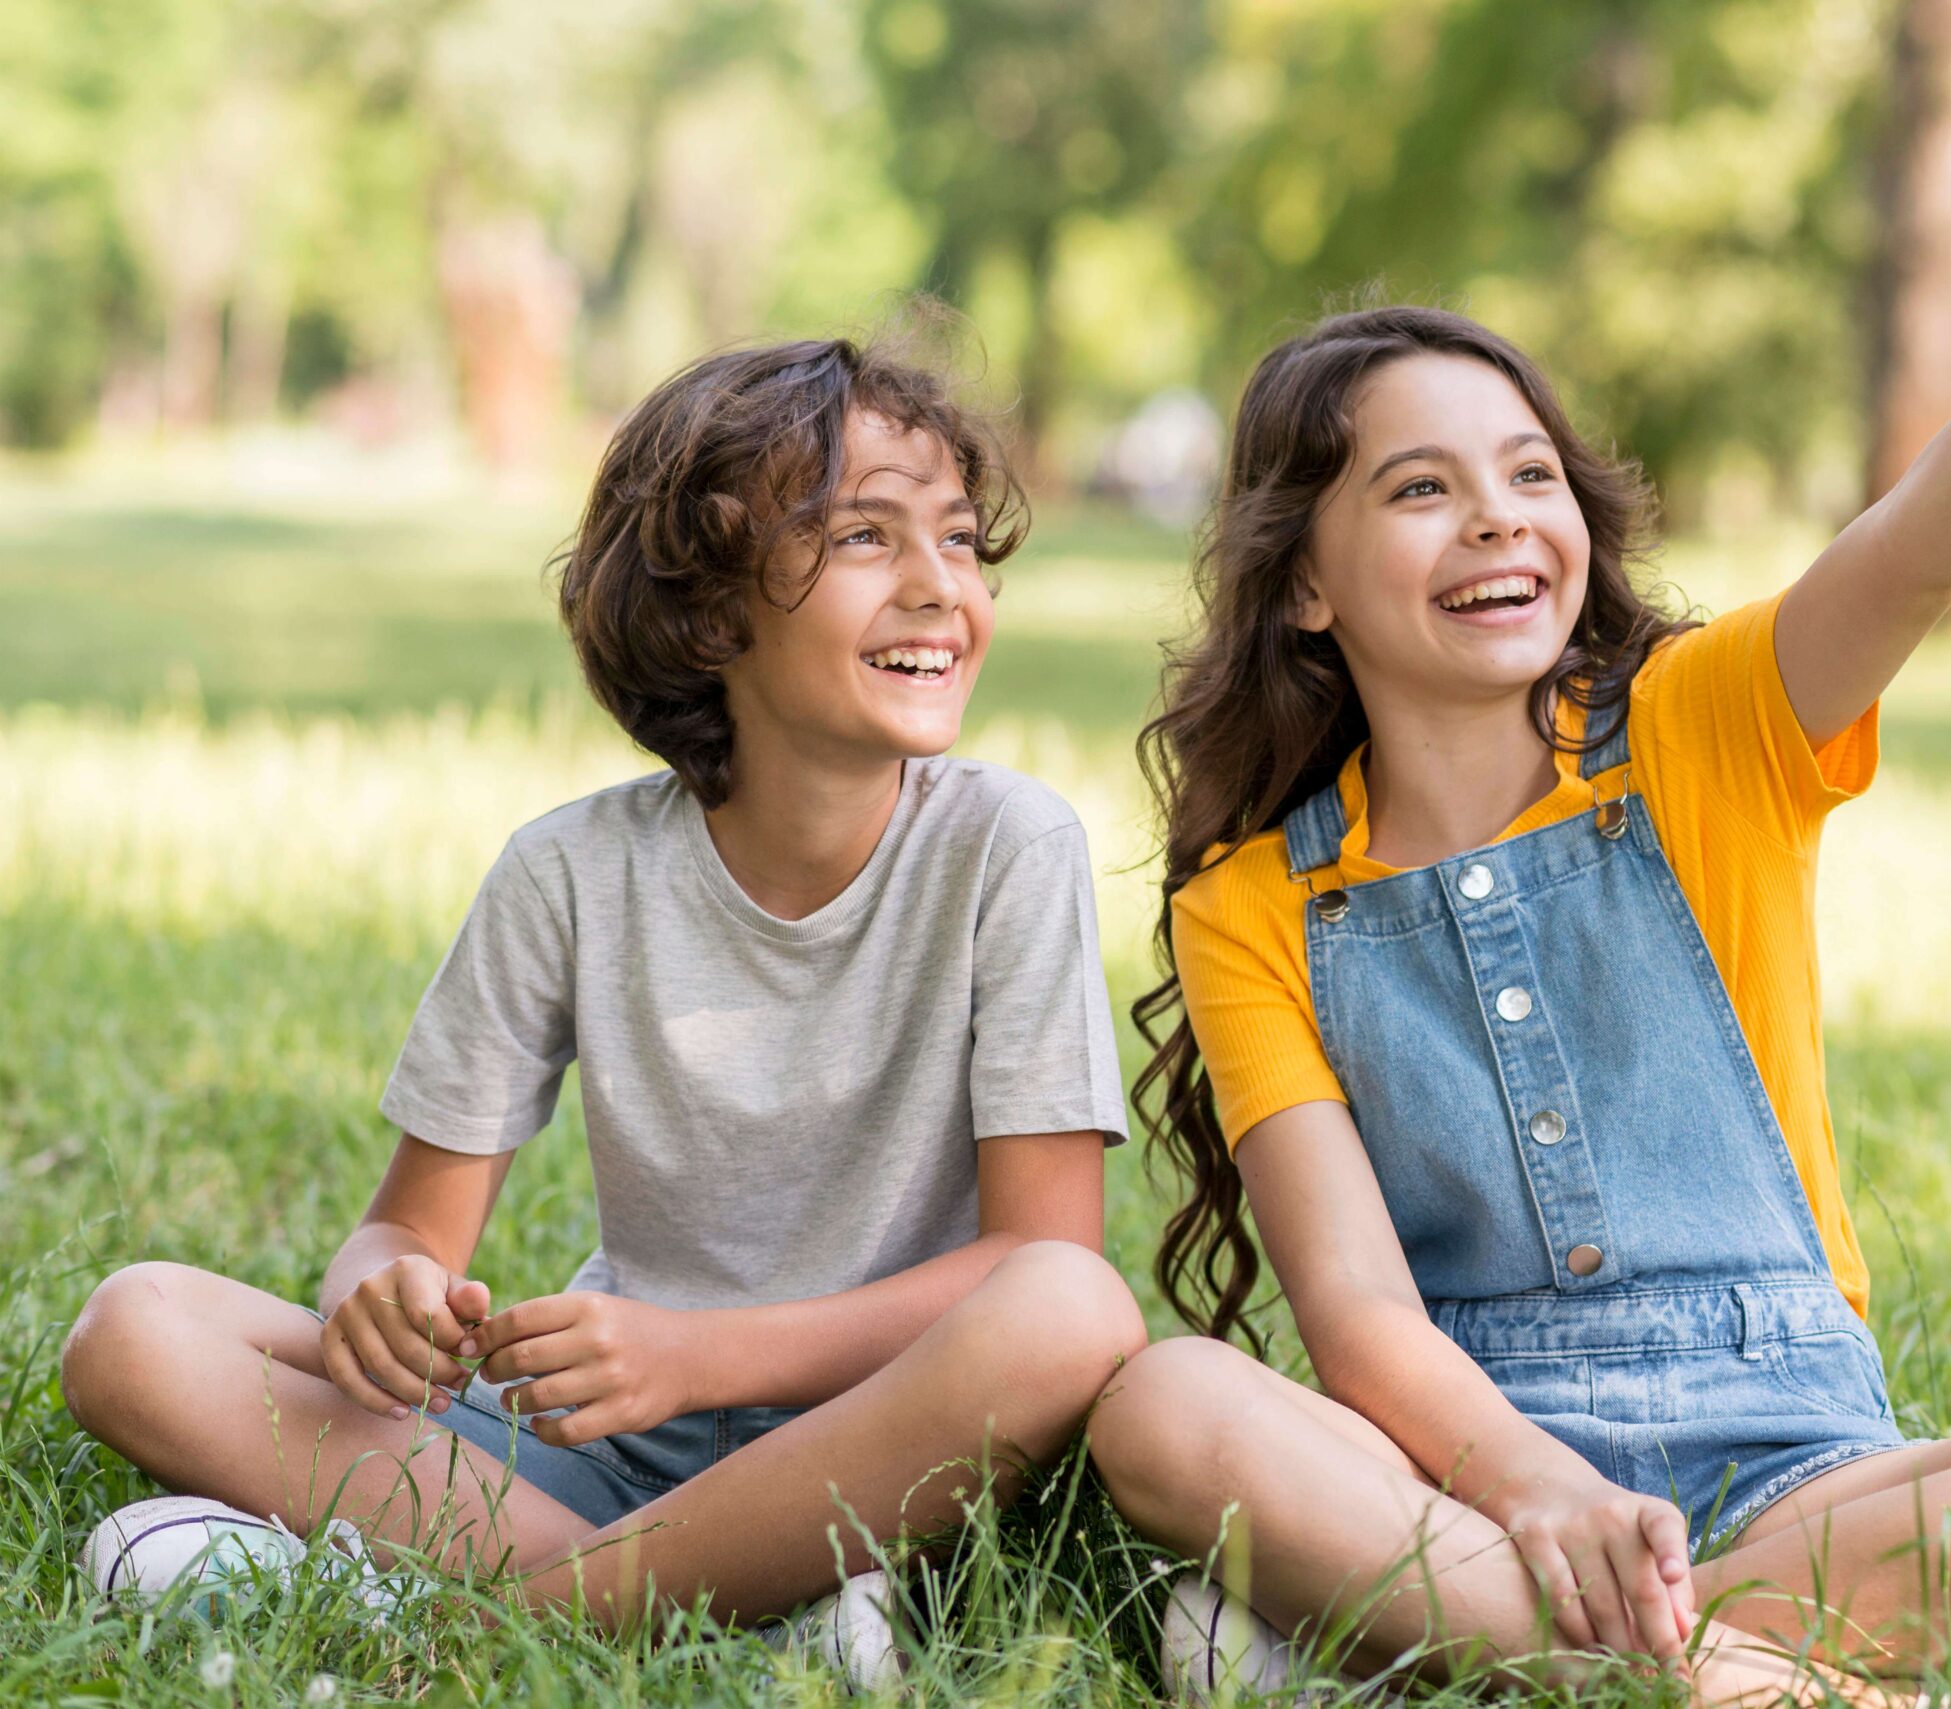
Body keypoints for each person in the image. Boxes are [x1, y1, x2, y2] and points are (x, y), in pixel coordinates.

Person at [1092, 148, 1951, 1704]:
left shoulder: (1709, 725)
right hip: (1473, 1482)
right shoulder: (1253, 903)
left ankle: (1485, 1662)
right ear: (1301, 586)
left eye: (1530, 474)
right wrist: (1537, 1486)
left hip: (1798, 1473)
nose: (1498, 520)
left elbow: (1926, 537)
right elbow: (1354, 1317)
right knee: (1163, 1403)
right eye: (1421, 489)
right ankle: (1797, 1680)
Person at [60, 334, 1144, 1676]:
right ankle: (743, 1600)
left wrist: (700, 1354)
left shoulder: (1008, 845)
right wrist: (383, 1295)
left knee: (1072, 1311)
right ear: (708, 612)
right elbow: (406, 1225)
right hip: (609, 1440)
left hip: (884, 1424)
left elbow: (1037, 1260)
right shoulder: (568, 871)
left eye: (962, 539)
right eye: (868, 535)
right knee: (135, 1326)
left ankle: (478, 1594)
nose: (940, 587)